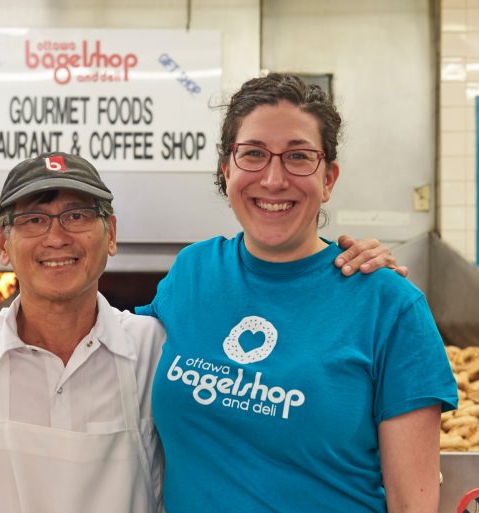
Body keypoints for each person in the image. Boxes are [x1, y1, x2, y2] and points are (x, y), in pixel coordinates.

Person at [0, 151, 402, 513]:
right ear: (3, 245)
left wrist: (344, 276)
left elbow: (275, 352)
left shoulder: (162, 350)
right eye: (32, 219)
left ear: (111, 235)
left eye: (78, 215)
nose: (57, 236)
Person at [136, 73, 458, 513]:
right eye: (253, 154)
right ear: (226, 169)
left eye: (298, 157)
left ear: (328, 179)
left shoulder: (389, 306)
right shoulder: (193, 271)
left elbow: (413, 505)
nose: (272, 179)